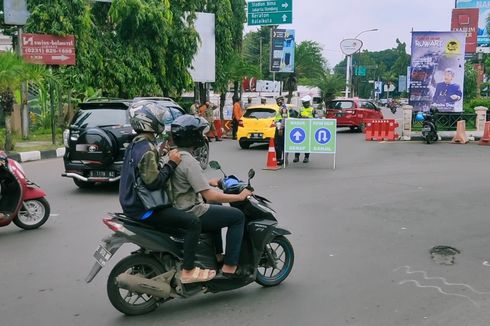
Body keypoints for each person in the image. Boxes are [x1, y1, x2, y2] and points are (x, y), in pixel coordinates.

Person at [119, 100, 215, 284]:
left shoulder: (137, 144)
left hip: (131, 204)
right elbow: (154, 182)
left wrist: (161, 154)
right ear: (148, 121)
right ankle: (188, 270)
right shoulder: (146, 149)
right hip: (144, 209)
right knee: (193, 222)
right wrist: (172, 163)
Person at [169, 115, 252, 276]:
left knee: (217, 208)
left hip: (176, 208)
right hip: (191, 211)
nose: (204, 136)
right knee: (237, 216)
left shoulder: (173, 155)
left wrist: (208, 181)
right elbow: (210, 196)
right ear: (192, 136)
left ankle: (217, 255)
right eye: (201, 133)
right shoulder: (190, 162)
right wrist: (239, 197)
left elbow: (182, 181)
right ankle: (230, 266)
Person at [293, 95, 315, 163]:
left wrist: (308, 118)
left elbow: (315, 118)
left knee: (307, 143)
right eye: (303, 103)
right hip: (300, 128)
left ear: (308, 103)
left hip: (309, 128)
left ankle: (306, 157)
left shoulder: (312, 109)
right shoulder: (301, 109)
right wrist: (300, 117)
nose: (304, 104)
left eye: (306, 103)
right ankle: (296, 157)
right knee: (298, 142)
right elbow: (298, 117)